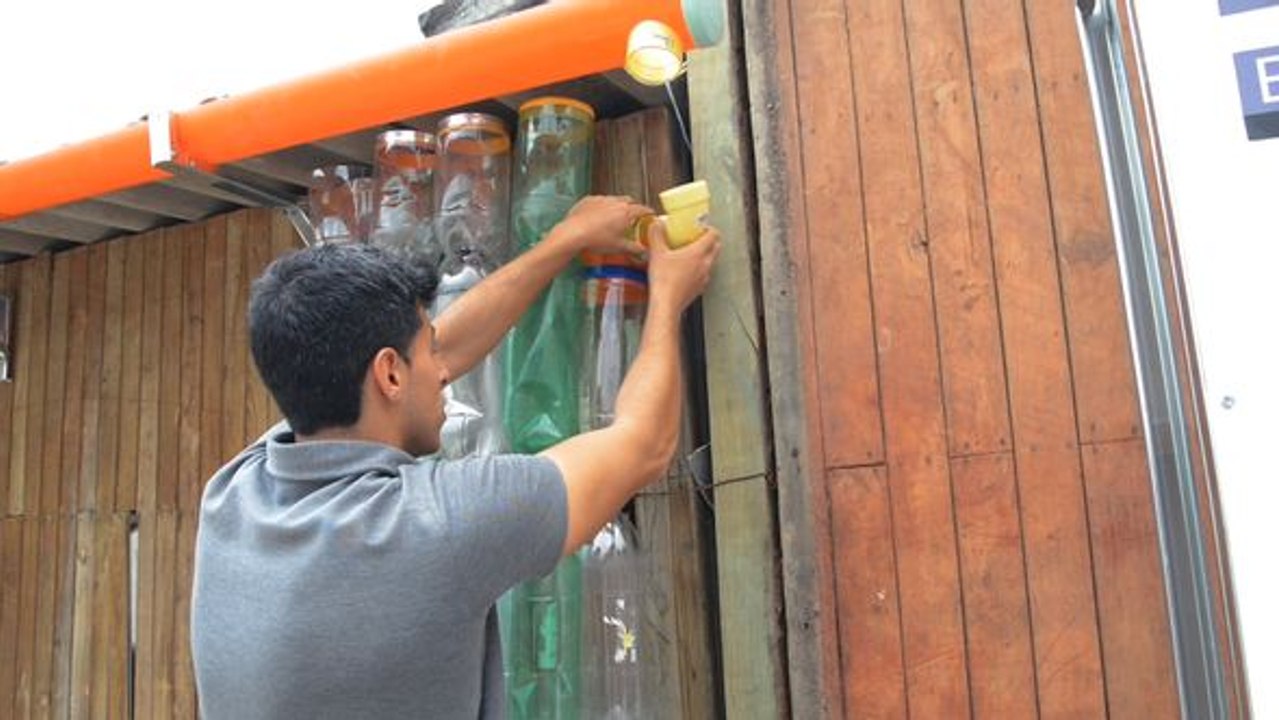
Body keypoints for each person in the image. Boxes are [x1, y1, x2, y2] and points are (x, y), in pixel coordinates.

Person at [190, 195, 721, 719]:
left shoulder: (235, 490)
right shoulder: (438, 523)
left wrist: (566, 241)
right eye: (428, 352)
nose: (444, 371)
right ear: (390, 374)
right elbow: (645, 442)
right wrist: (669, 297)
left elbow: (444, 349)